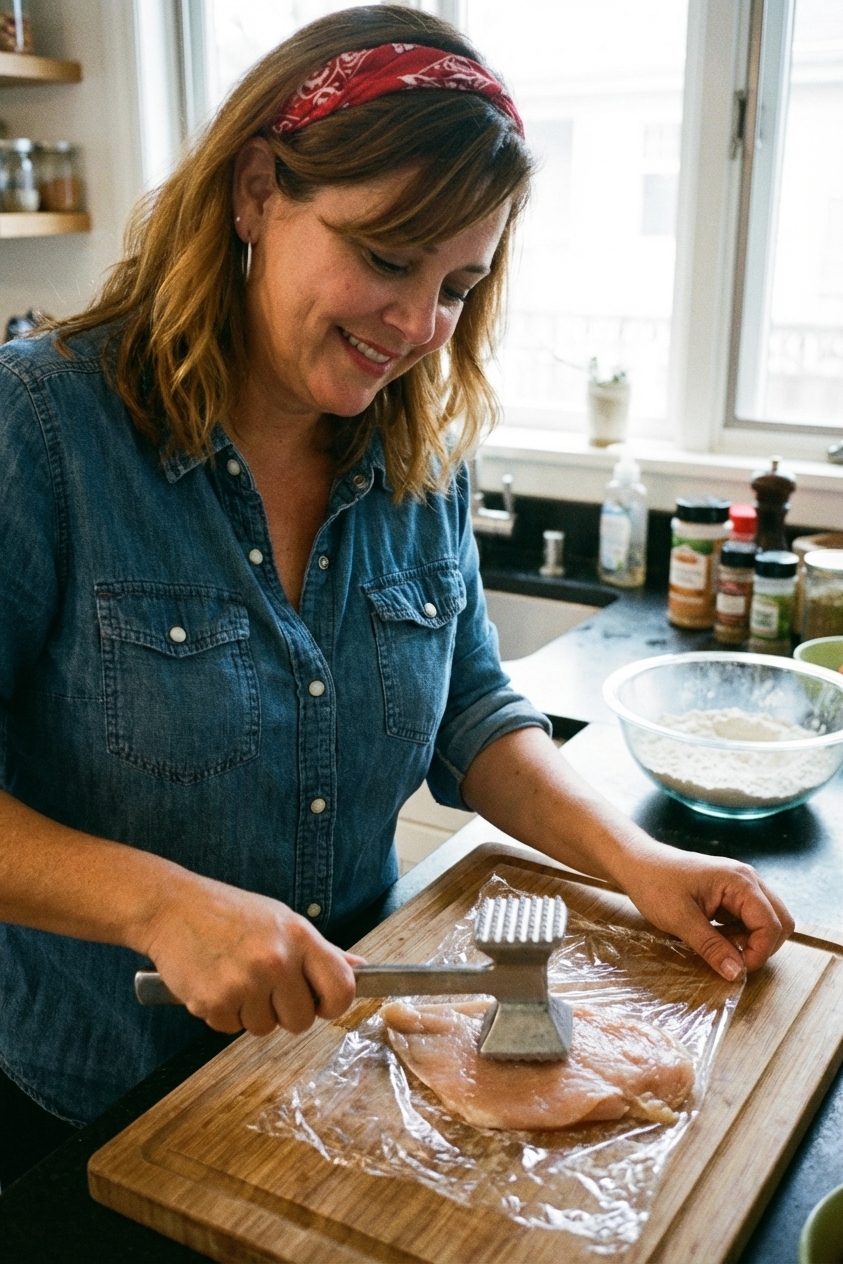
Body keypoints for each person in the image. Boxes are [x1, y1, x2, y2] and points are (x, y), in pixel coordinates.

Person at [0, 5, 792, 1185]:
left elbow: (471, 712)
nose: (420, 327)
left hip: (337, 1079)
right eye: (384, 257)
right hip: (88, 1112)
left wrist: (635, 866)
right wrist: (157, 904)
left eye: (459, 285)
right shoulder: (44, 428)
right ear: (257, 191)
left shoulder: (418, 449)